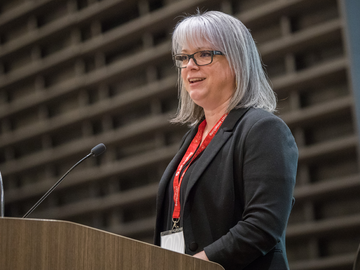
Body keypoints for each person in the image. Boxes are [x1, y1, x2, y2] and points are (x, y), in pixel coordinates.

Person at [154, 10, 298, 270]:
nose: (190, 65)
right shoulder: (192, 139)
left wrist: (196, 265)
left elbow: (262, 226)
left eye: (203, 54)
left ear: (237, 61)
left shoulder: (263, 129)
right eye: (184, 57)